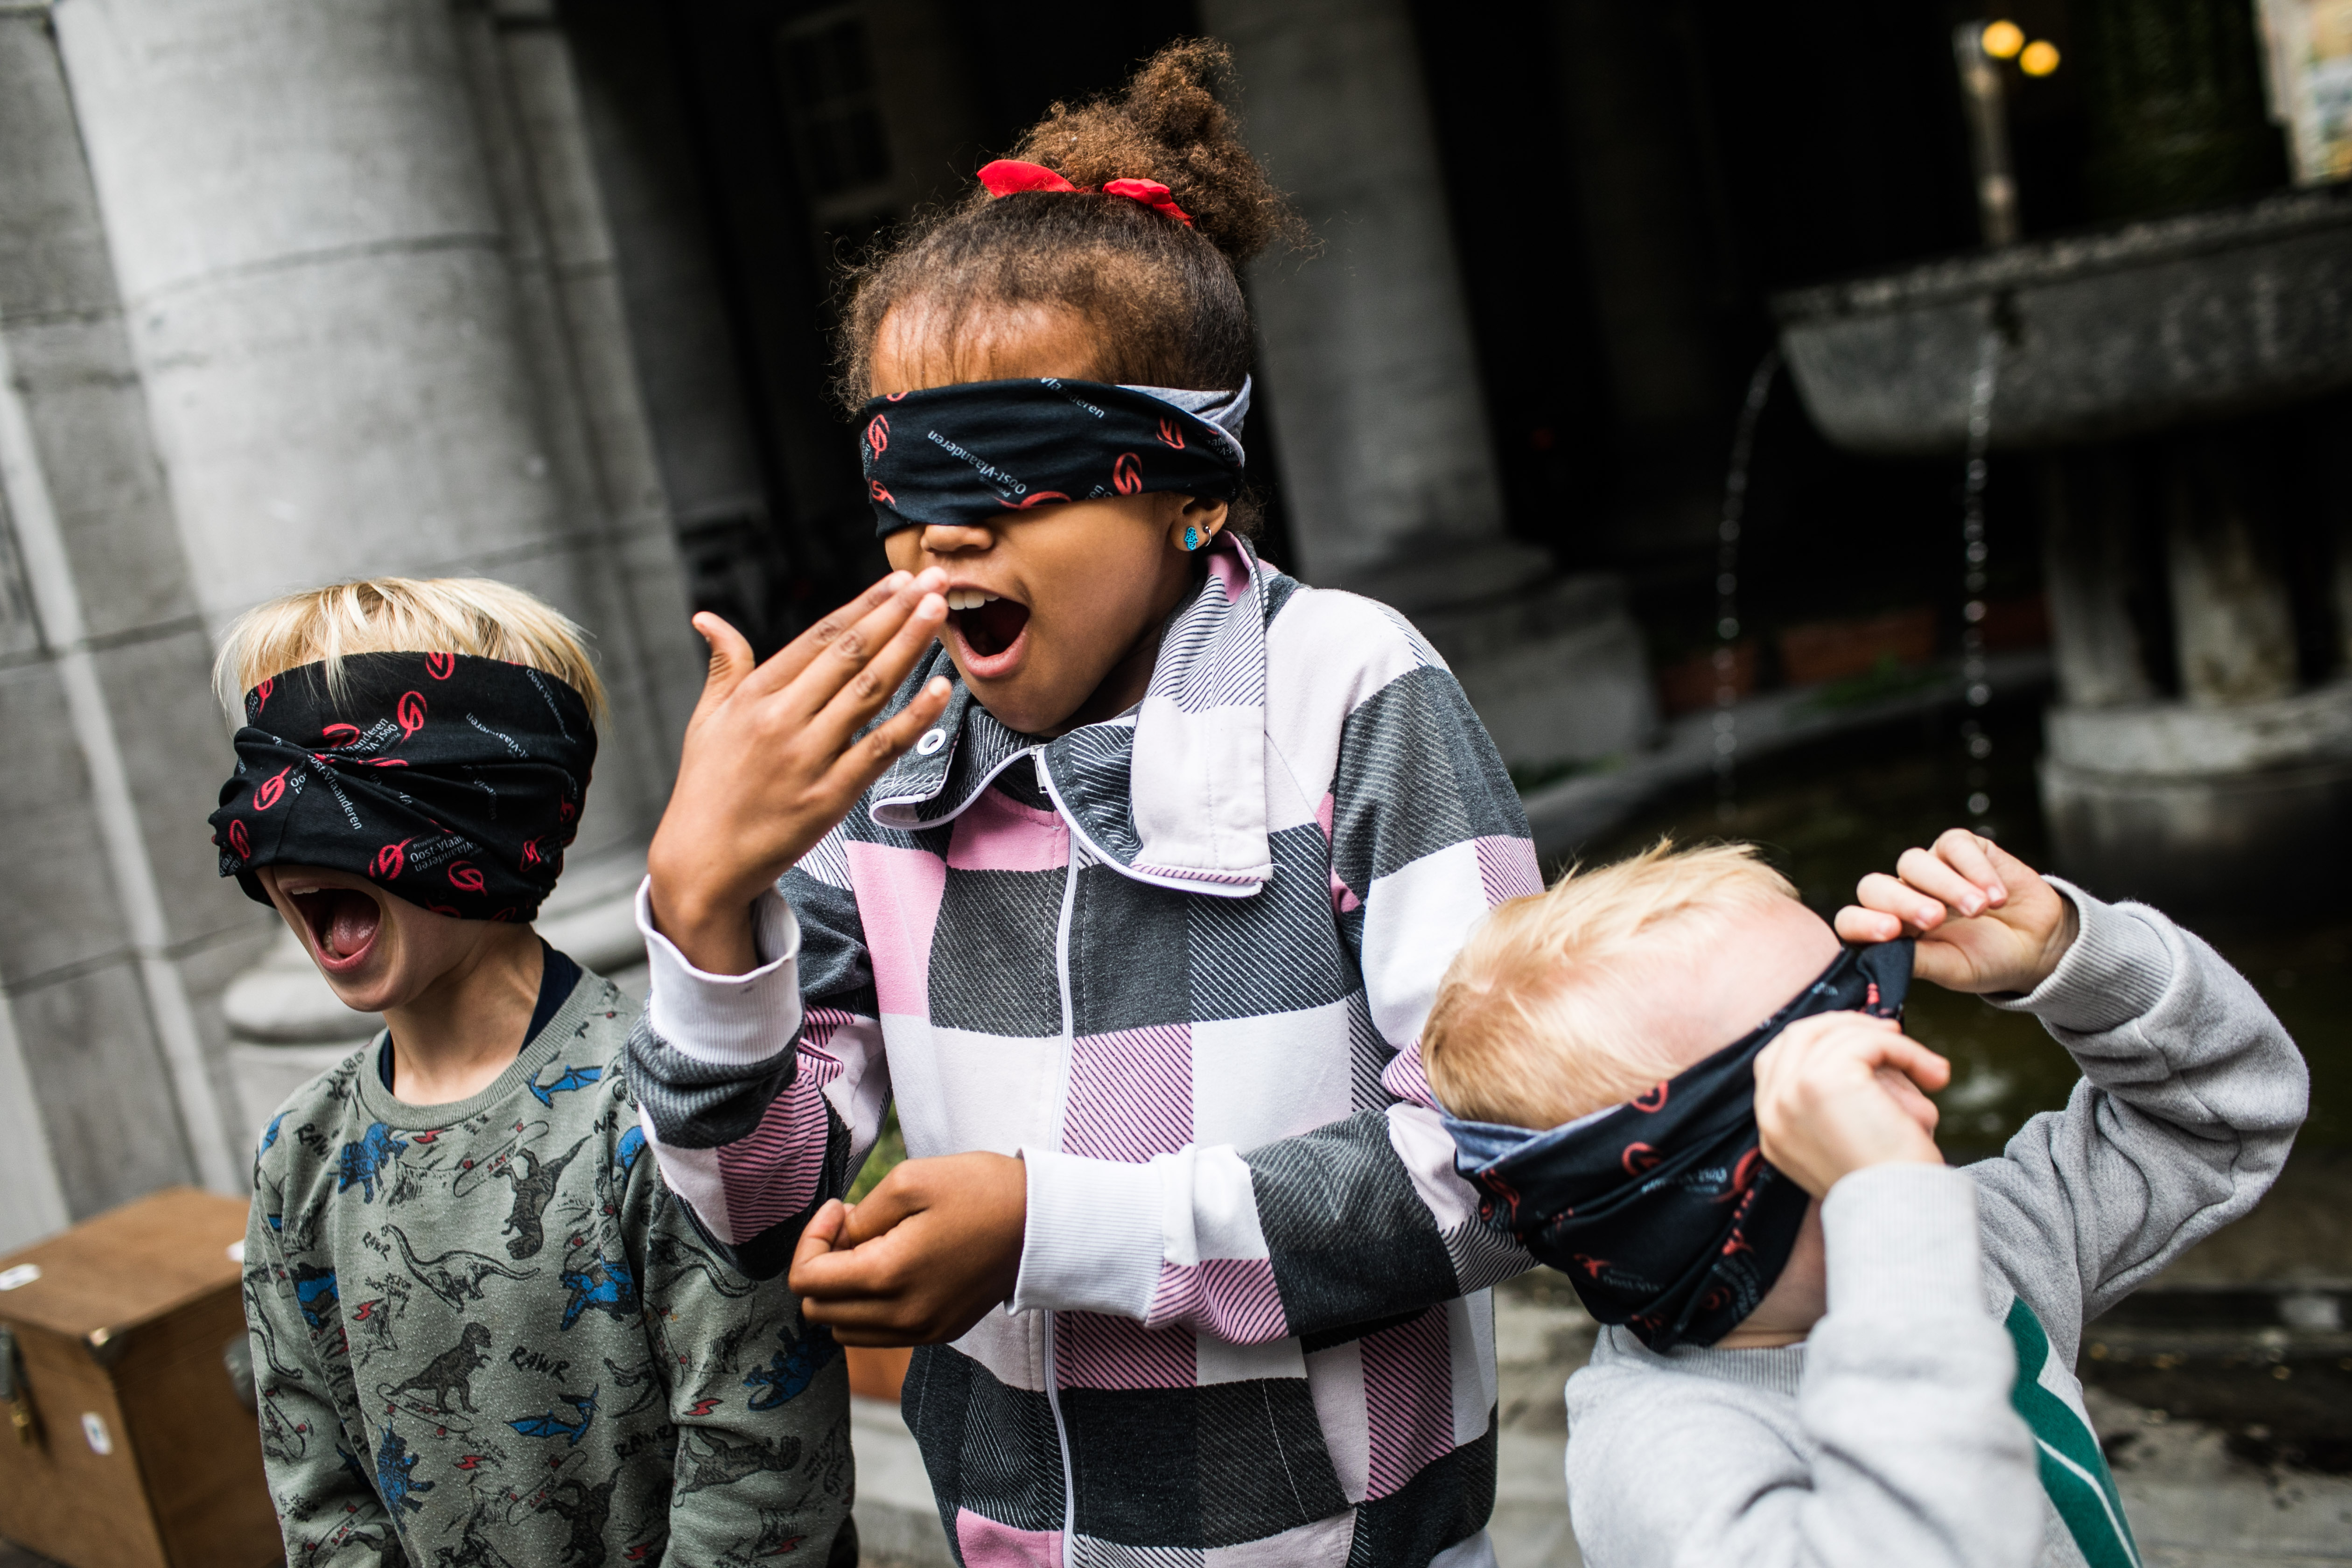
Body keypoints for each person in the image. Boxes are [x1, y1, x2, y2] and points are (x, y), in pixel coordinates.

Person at [624, 41, 1544, 1568]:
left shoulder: (1349, 691)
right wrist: (707, 912)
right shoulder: (889, 756)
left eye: (1020, 467)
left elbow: (1514, 1163)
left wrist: (1057, 1231)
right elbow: (749, 1206)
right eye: (904, 482)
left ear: (1191, 487)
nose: (943, 530)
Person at [1424, 832, 2307, 1568]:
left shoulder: (1982, 1243)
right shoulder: (1665, 1459)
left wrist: (2072, 959)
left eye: (1885, 1018)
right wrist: (1889, 1203)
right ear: (1702, 1191)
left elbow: (2222, 1122)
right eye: (1853, 1079)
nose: (1926, 1094)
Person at [219, 578, 854, 1568]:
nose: (287, 822)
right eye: (269, 775)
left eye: (344, 782)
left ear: (489, 808)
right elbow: (319, 1487)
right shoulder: (300, 1154)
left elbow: (761, 1478)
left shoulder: (672, 1114)